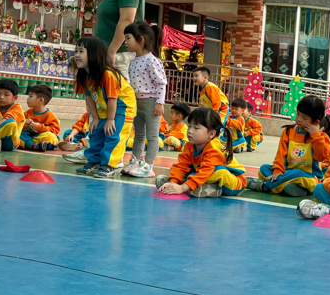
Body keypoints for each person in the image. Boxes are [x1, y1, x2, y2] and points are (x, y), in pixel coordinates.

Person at [73, 36, 137, 178]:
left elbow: (113, 98)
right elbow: (89, 97)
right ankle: (94, 161)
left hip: (122, 107)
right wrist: (95, 117)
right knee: (96, 133)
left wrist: (110, 119)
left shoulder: (108, 74)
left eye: (81, 51)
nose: (76, 55)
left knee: (113, 135)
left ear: (94, 54)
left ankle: (109, 165)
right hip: (105, 107)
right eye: (76, 51)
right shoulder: (85, 75)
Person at [249, 96, 330, 197]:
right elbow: (281, 154)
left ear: (315, 122)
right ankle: (293, 188)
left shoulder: (321, 137)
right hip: (287, 172)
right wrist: (278, 170)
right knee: (264, 169)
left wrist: (315, 136)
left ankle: (265, 186)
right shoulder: (288, 132)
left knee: (298, 174)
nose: (299, 119)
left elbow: (321, 157)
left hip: (308, 176)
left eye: (304, 118)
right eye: (298, 114)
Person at [155, 107, 246, 197]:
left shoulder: (214, 149)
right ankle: (199, 187)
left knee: (218, 171)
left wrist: (182, 188)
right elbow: (182, 166)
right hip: (207, 175)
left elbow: (204, 172)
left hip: (233, 184)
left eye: (196, 128)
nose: (190, 131)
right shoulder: (190, 146)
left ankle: (210, 189)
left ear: (211, 134)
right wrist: (173, 182)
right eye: (190, 126)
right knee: (191, 171)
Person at [122, 20, 166, 179]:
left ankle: (148, 165)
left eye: (128, 38)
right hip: (137, 103)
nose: (125, 42)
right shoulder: (133, 61)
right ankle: (135, 161)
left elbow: (161, 82)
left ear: (140, 40)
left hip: (151, 102)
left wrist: (160, 103)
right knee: (139, 135)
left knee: (152, 136)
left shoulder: (152, 60)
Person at [20, 84, 61, 151]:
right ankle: (34, 145)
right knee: (18, 133)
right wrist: (25, 125)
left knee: (51, 137)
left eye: (30, 96)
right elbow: (21, 128)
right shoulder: (27, 113)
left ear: (40, 100)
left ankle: (30, 145)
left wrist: (39, 127)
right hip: (28, 137)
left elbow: (55, 130)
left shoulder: (49, 115)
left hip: (39, 137)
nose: (27, 98)